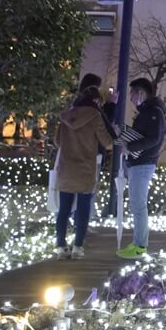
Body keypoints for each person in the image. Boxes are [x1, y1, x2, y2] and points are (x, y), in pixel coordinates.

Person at [52, 82, 116, 258]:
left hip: (66, 168)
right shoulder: (95, 116)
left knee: (63, 209)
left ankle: (60, 247)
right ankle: (78, 247)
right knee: (83, 208)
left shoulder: (65, 117)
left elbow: (57, 141)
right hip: (85, 169)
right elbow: (107, 142)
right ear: (95, 100)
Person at [118, 77, 166, 257]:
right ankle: (138, 243)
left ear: (141, 93)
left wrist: (130, 147)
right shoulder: (149, 111)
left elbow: (154, 139)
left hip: (143, 163)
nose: (130, 97)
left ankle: (140, 245)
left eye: (132, 93)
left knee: (138, 206)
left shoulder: (153, 112)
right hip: (139, 162)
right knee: (137, 205)